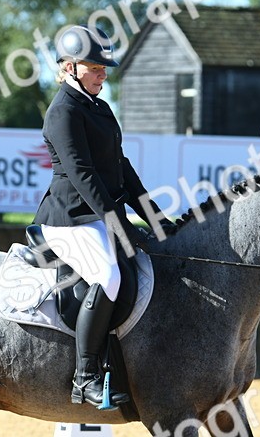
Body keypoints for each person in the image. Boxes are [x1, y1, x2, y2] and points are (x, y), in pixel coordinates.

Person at [33, 24, 164, 409]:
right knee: (107, 275)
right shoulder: (62, 112)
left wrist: (154, 219)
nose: (104, 73)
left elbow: (121, 168)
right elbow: (82, 174)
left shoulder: (99, 108)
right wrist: (118, 223)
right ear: (71, 67)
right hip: (68, 219)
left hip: (97, 216)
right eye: (96, 67)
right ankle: (85, 378)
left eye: (105, 67)